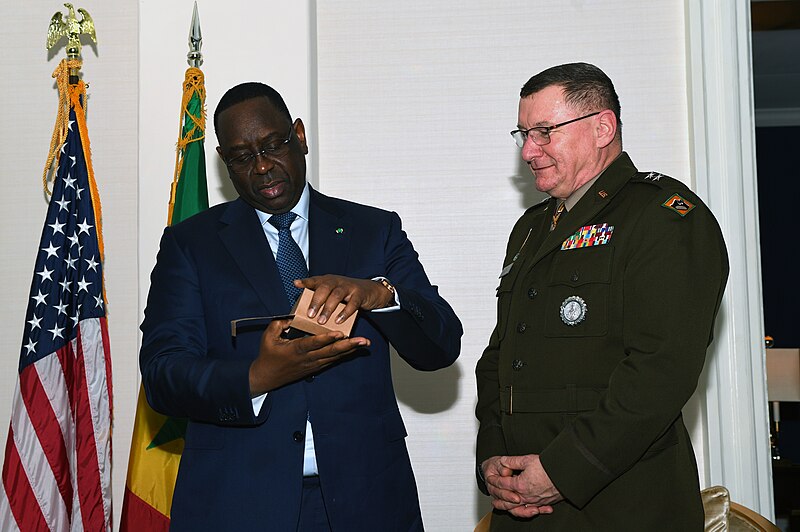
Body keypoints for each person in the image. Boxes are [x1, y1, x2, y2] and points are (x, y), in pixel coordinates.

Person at [140, 82, 462, 531]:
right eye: (241, 156)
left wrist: (381, 294)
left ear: (299, 135)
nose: (262, 166)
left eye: (273, 145)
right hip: (237, 503)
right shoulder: (190, 245)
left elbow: (441, 346)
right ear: (224, 161)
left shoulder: (373, 230)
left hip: (366, 503)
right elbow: (162, 375)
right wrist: (256, 377)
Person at [475, 63, 729, 530]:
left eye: (544, 132)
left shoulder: (664, 217)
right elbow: (500, 358)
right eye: (524, 134)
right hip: (523, 508)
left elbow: (660, 371)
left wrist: (561, 470)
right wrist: (493, 459)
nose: (529, 151)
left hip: (621, 505)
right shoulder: (530, 229)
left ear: (602, 128)